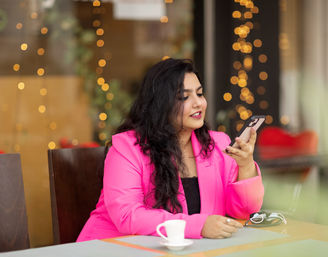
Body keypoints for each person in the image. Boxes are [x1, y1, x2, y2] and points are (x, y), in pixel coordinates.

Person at [77, 58, 264, 241]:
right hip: (111, 251)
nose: (198, 103)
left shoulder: (218, 144)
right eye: (184, 97)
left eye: (199, 94)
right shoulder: (127, 148)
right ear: (160, 104)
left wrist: (246, 166)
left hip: (185, 254)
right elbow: (127, 215)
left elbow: (244, 212)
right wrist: (199, 226)